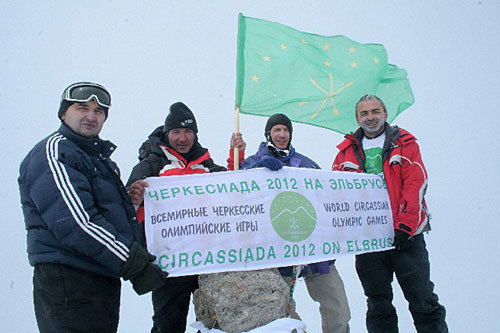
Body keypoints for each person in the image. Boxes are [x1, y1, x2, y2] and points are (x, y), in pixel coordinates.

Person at [18, 82, 167, 333]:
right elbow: (77, 223)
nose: (91, 116)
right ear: (64, 113)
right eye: (82, 108)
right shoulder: (56, 151)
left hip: (99, 280)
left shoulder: (94, 157)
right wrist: (134, 263)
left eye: (99, 112)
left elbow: (94, 210)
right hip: (69, 281)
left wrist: (128, 204)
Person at [332, 94, 448, 332]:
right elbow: (334, 193)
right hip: (370, 241)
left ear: (385, 114)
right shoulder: (345, 153)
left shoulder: (405, 143)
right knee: (378, 305)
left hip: (406, 237)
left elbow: (415, 183)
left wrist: (405, 226)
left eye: (375, 111)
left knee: (423, 301)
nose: (370, 117)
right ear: (357, 118)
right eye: (364, 113)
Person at [228, 113, 351, 333]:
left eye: (286, 130)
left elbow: (327, 197)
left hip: (314, 254)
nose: (282, 134)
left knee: (339, 310)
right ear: (269, 134)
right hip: (276, 255)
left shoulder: (305, 165)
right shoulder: (254, 164)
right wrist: (254, 166)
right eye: (277, 130)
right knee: (279, 317)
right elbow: (235, 192)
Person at [126, 102, 226, 333]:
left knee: (217, 323)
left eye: (188, 131)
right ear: (167, 133)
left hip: (208, 261)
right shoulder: (151, 164)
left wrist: (238, 156)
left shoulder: (207, 167)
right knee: (168, 326)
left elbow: (239, 189)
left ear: (195, 134)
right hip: (170, 264)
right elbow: (125, 204)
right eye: (176, 132)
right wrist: (134, 197)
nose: (183, 138)